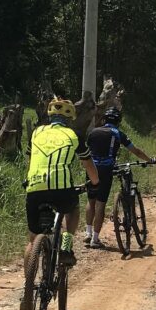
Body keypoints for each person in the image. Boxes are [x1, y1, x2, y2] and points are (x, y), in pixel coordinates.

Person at [25, 98, 99, 266]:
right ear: (70, 117)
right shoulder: (74, 135)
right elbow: (88, 163)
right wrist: (95, 182)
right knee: (72, 210)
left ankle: (28, 286)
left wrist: (29, 179)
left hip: (34, 187)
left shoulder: (36, 133)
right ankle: (66, 247)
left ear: (49, 116)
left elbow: (29, 162)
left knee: (32, 240)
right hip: (61, 189)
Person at [83, 107, 156, 249]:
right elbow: (136, 151)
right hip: (106, 170)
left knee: (90, 200)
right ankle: (95, 239)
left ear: (104, 119)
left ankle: (87, 232)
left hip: (91, 168)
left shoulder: (93, 132)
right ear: (118, 121)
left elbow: (87, 152)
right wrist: (149, 160)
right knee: (101, 204)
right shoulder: (117, 133)